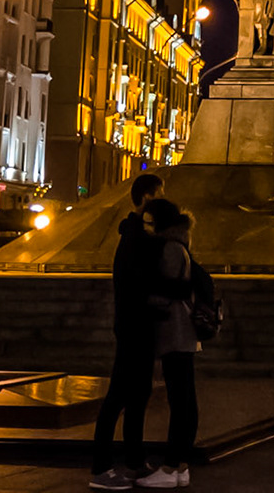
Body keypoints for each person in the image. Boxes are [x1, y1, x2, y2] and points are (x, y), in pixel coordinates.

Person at [90, 173, 164, 491]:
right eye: (160, 194)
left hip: (141, 326)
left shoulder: (140, 236)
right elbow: (137, 284)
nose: (162, 199)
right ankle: (101, 468)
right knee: (118, 396)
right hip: (134, 326)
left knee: (139, 395)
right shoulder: (135, 238)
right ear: (147, 198)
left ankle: (134, 461)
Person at [137, 198, 199, 488]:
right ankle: (181, 467)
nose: (147, 227)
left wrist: (147, 299)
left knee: (180, 400)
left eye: (150, 222)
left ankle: (172, 465)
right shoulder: (181, 246)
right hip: (183, 332)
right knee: (185, 399)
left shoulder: (171, 249)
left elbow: (170, 291)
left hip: (175, 331)